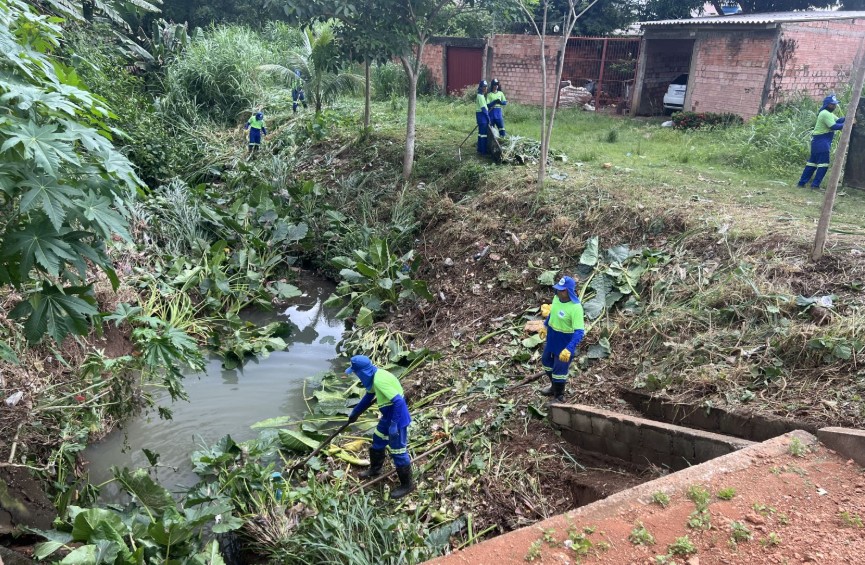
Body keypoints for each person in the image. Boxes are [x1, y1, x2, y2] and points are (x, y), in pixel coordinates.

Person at [345, 355, 415, 499]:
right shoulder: (375, 376)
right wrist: (355, 413)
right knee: (378, 439)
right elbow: (368, 398)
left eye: (356, 373)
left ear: (362, 372)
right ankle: (375, 469)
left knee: (398, 451)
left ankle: (407, 485)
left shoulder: (379, 380)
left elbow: (399, 402)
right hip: (387, 416)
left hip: (397, 418)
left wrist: (394, 425)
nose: (357, 376)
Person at [538, 276, 585, 402]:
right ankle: (553, 387)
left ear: (569, 291)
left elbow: (580, 332)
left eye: (562, 290)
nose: (559, 292)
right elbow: (553, 314)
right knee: (546, 362)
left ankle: (559, 396)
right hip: (552, 338)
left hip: (565, 342)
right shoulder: (556, 298)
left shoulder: (576, 308)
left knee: (559, 369)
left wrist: (569, 348)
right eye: (558, 289)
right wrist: (545, 326)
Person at [798, 94, 846, 189]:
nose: (834, 106)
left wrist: (849, 117)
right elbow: (834, 126)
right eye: (832, 104)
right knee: (823, 164)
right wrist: (848, 124)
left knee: (812, 163)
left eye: (835, 104)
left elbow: (838, 121)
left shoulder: (829, 113)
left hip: (818, 141)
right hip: (822, 141)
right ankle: (815, 185)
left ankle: (802, 183)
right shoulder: (825, 113)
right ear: (827, 104)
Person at [475, 80, 490, 154]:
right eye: (484, 87)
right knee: (483, 134)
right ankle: (483, 151)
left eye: (486, 87)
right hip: (482, 116)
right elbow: (484, 109)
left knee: (480, 133)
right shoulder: (480, 96)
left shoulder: (481, 95)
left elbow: (486, 106)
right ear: (480, 87)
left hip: (480, 116)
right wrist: (488, 118)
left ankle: (479, 149)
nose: (485, 88)